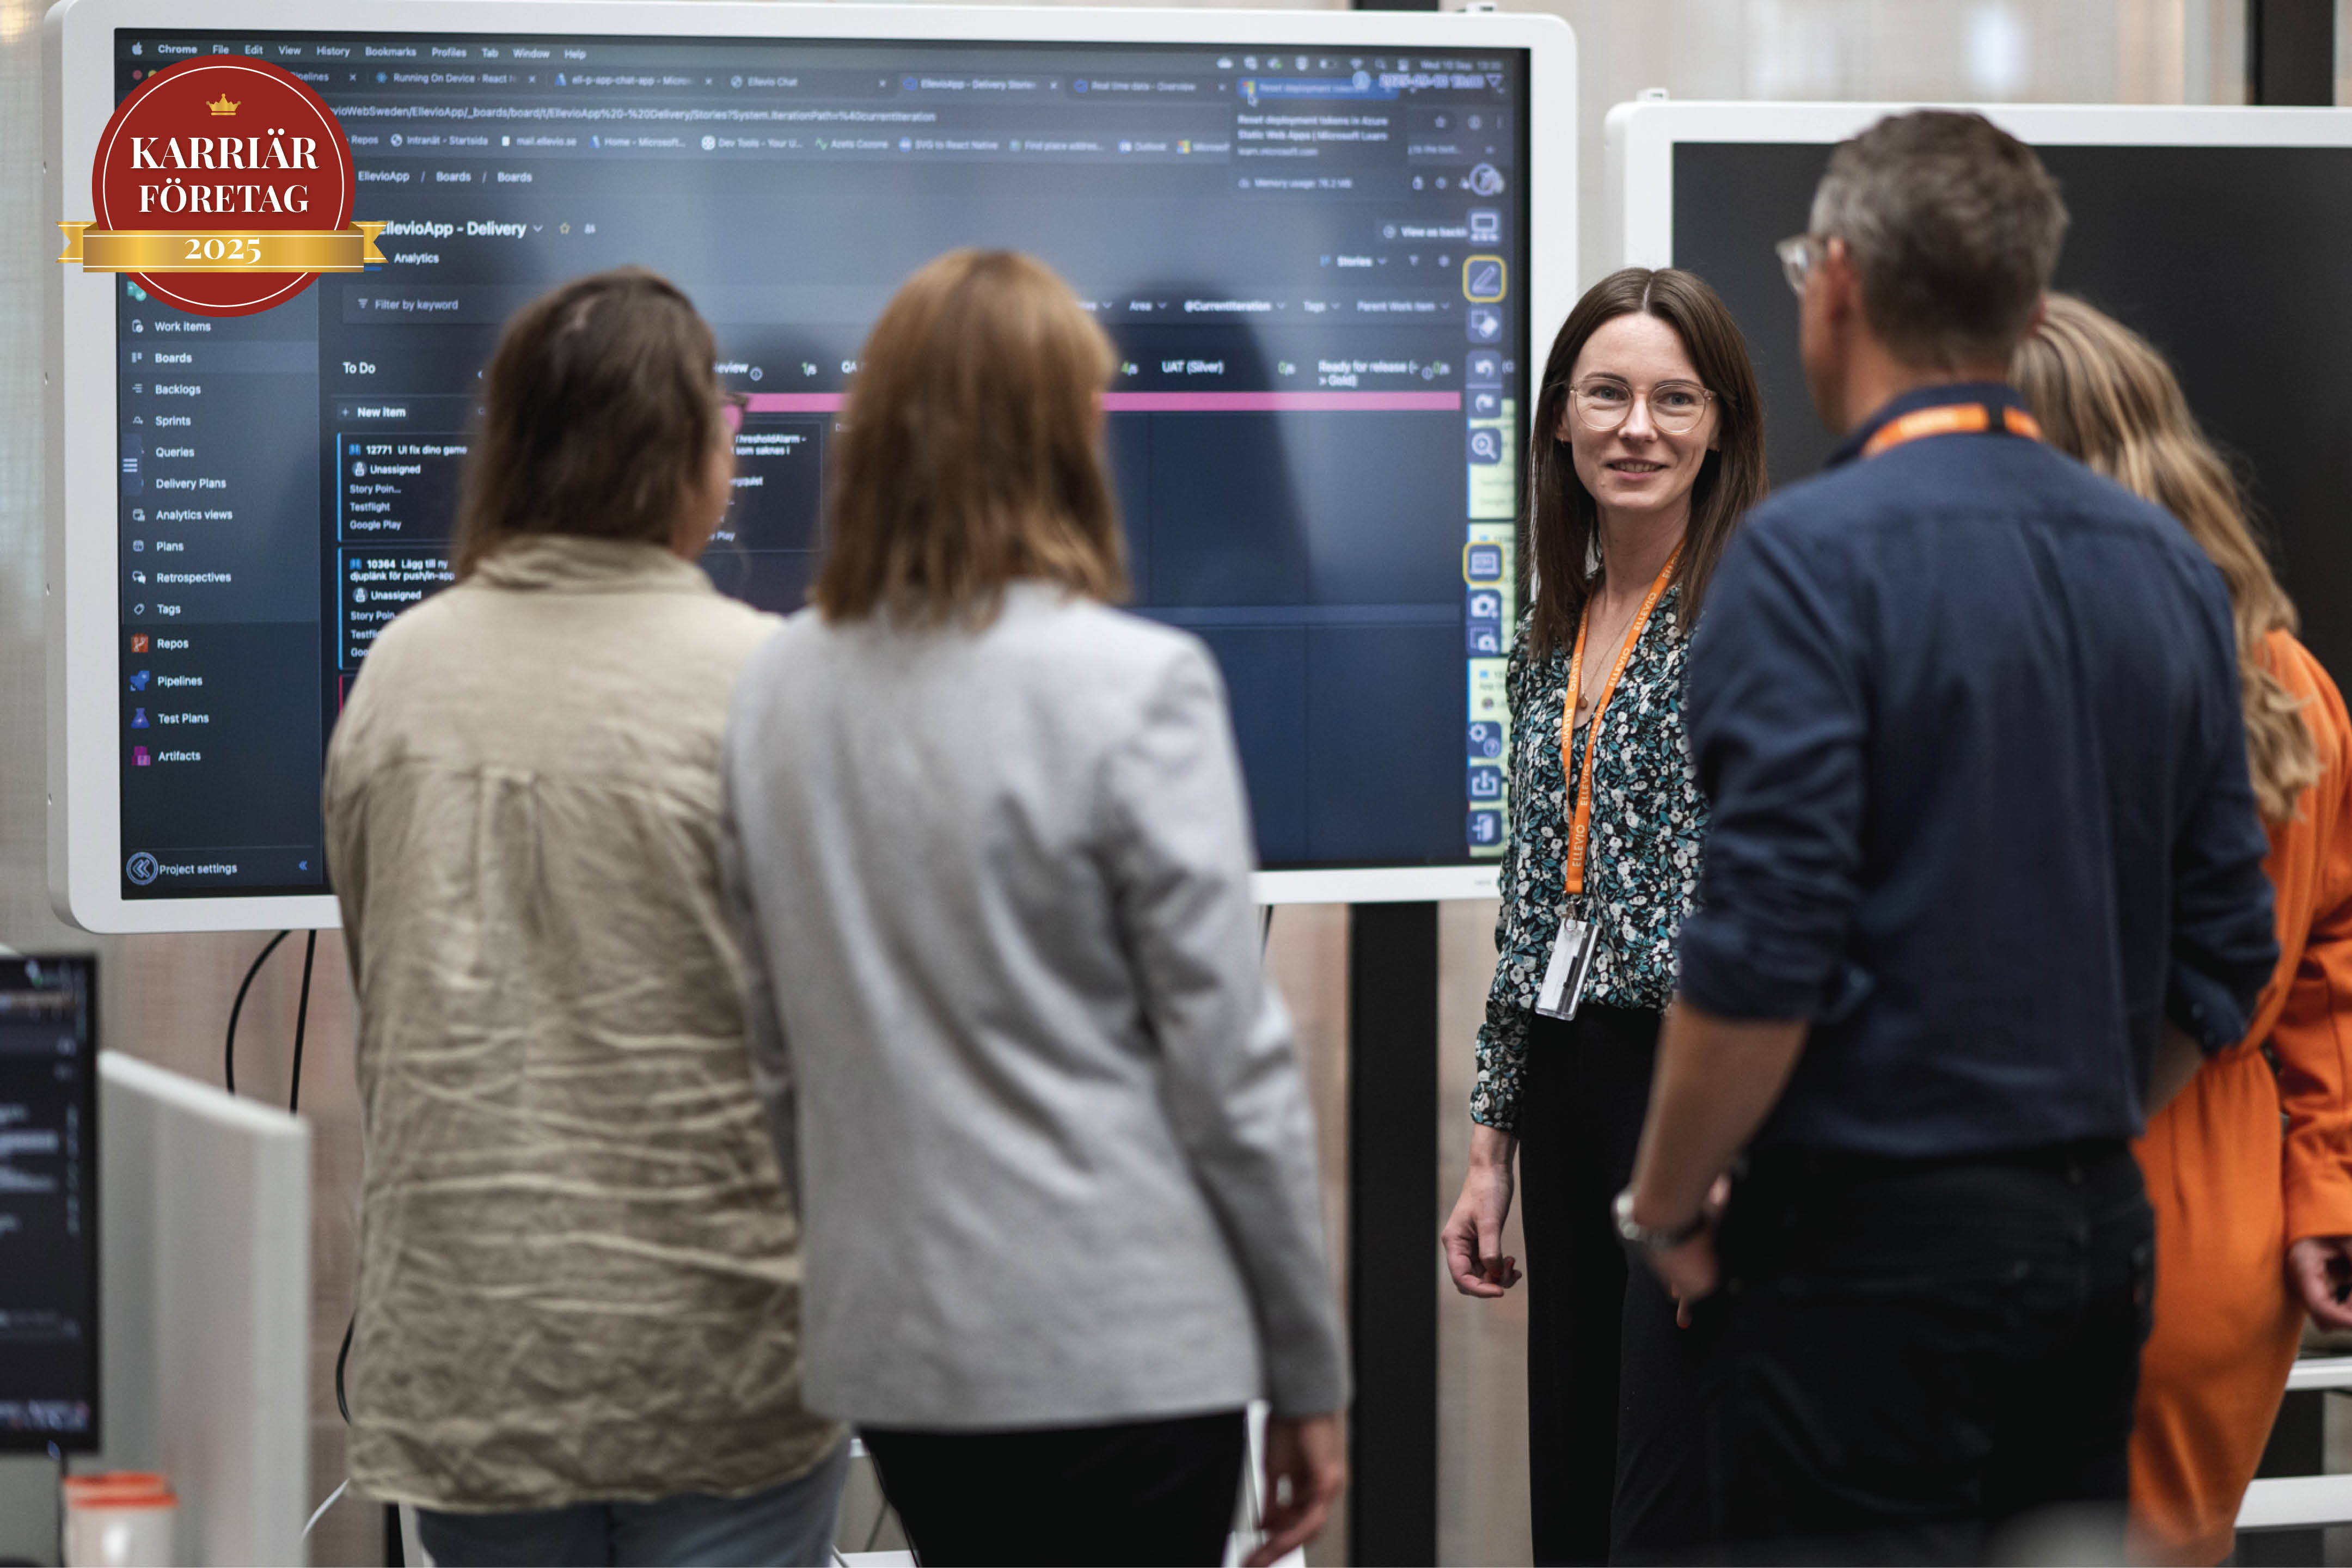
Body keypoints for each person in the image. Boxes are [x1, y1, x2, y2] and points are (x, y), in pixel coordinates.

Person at [1619, 111, 2280, 1562]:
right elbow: (2231, 946)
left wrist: (1665, 1207)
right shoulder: (2167, 567)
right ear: (2029, 312)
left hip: (1863, 1248)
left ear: (1838, 282)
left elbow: (1763, 952)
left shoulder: (1804, 559)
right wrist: (2062, 1125)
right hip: (2094, 1238)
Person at [719, 248, 1349, 1568]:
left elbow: (776, 1051)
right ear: (1071, 436)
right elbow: (1229, 1073)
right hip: (1122, 1352)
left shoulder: (777, 685)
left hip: (906, 1361)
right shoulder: (1138, 685)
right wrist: (1306, 1365)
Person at [324, 268, 847, 1567]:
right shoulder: (767, 684)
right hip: (723, 1360)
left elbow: (386, 979)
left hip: (477, 1356)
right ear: (691, 456)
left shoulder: (398, 674)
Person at [2014, 295, 2352, 1565]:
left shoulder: (2034, 670)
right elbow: (2331, 964)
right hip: (2228, 1212)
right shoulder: (2286, 677)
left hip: (2050, 1185)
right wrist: (2324, 1191)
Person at [1437, 267, 1766, 1566]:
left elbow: (1781, 912)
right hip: (1570, 1085)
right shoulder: (1551, 631)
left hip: (1690, 1092)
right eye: (1607, 395)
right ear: (1561, 422)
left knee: (1664, 1498)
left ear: (1721, 426)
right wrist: (1490, 1148)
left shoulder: (1752, 624)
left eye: (1675, 400)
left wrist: (1736, 1145)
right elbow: (1533, 906)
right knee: (1575, 1473)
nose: (1638, 428)